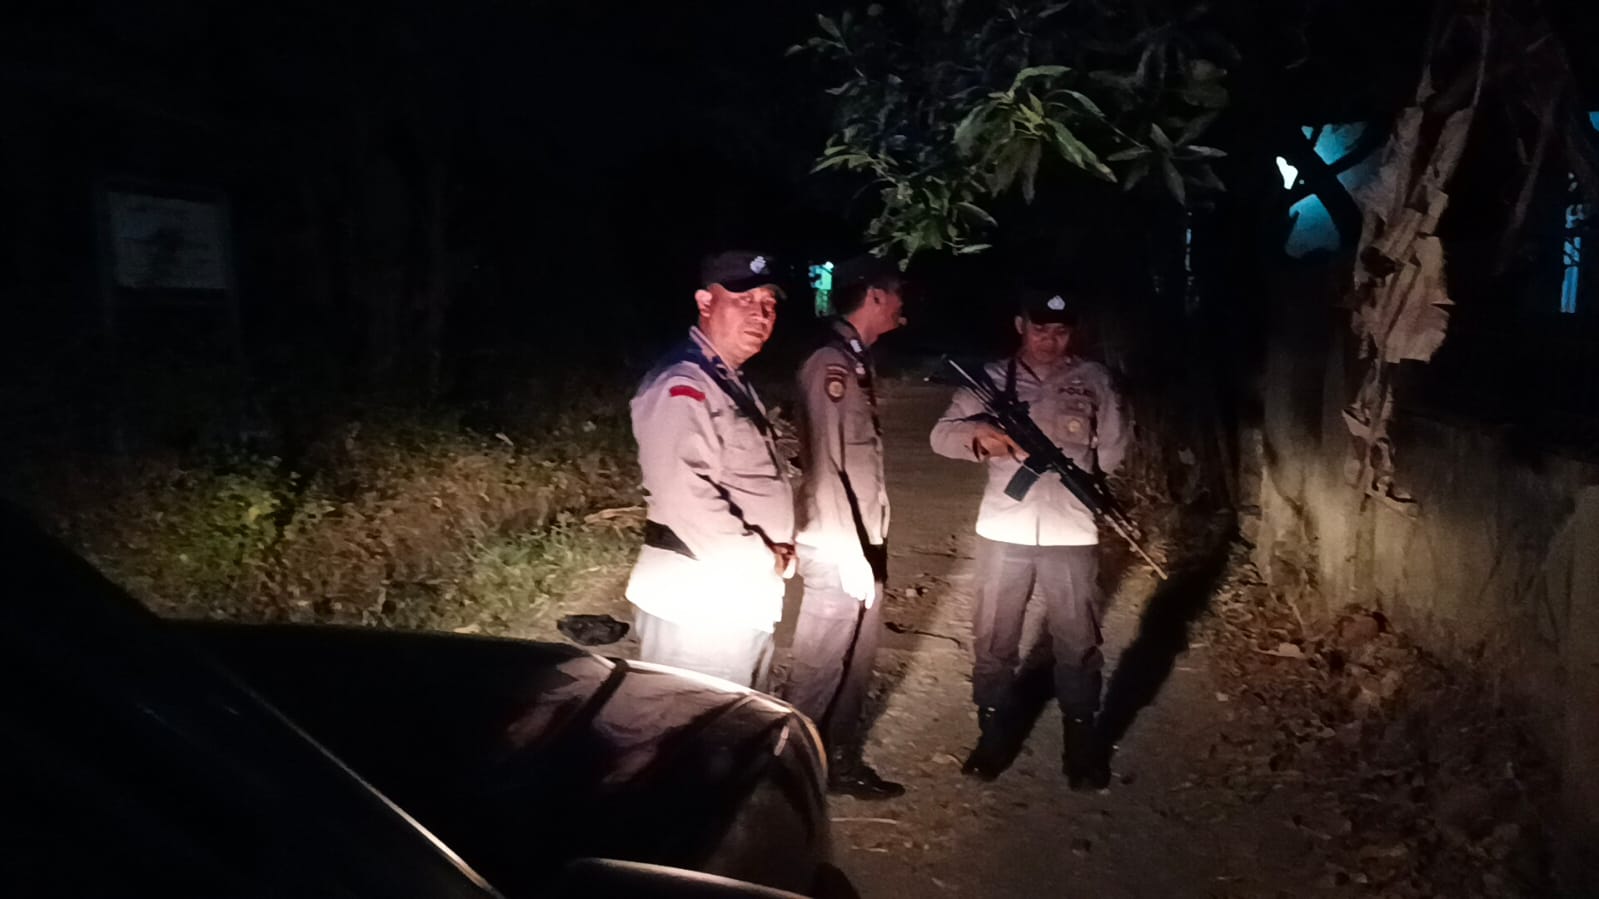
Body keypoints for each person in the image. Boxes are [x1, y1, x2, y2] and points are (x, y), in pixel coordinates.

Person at [929, 288, 1128, 789]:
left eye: (1060, 330)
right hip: (1004, 526)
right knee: (995, 637)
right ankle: (992, 736)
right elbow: (941, 436)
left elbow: (1114, 447)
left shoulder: (1094, 379)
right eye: (1040, 328)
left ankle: (1081, 744)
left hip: (1071, 529)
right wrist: (982, 439)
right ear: (1020, 325)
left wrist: (1081, 478)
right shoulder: (992, 379)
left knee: (1078, 641)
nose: (1050, 339)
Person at [623, 250, 796, 689]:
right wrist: (763, 558)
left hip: (732, 600)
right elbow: (683, 495)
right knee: (696, 725)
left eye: (769, 304)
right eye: (744, 298)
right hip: (698, 608)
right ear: (705, 302)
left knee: (736, 721)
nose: (760, 313)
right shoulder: (683, 382)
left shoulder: (725, 379)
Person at [781, 255, 907, 800]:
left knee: (856, 663)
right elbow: (824, 462)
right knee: (818, 667)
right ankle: (785, 778)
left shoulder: (855, 360)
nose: (902, 305)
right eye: (897, 294)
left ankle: (839, 760)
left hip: (863, 535)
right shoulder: (828, 364)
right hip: (836, 542)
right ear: (875, 296)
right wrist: (846, 550)